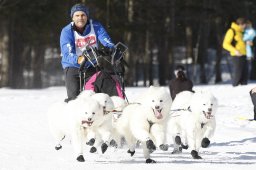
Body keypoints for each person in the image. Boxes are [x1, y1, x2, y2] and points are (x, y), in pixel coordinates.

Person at [60, 3, 115, 102]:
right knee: (74, 98)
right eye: (77, 15)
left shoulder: (96, 26)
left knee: (96, 96)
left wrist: (110, 48)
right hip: (73, 65)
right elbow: (67, 53)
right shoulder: (66, 31)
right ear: (72, 18)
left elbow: (107, 41)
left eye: (83, 15)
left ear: (87, 16)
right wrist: (79, 59)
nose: (80, 18)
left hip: (92, 65)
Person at [223, 17, 247, 87]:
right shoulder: (232, 31)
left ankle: (244, 92)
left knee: (244, 76)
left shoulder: (241, 32)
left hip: (244, 55)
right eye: (244, 25)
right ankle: (234, 90)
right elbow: (225, 44)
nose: (245, 27)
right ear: (240, 24)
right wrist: (235, 51)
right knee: (238, 75)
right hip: (236, 56)